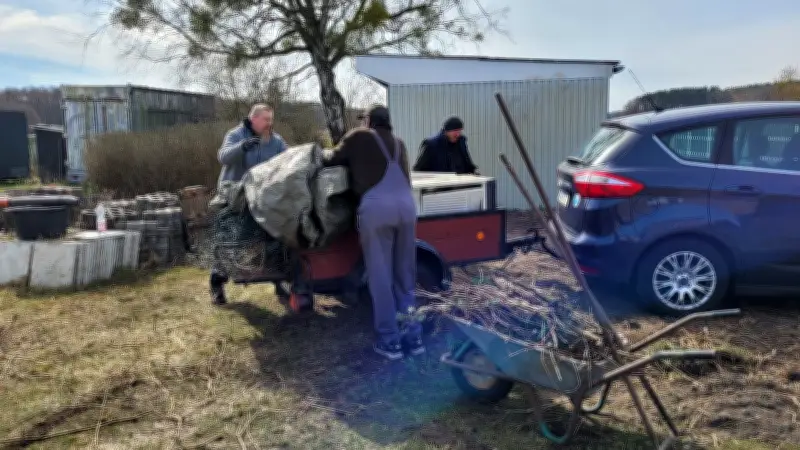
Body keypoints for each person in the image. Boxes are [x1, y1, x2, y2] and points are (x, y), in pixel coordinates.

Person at [322, 105, 423, 360]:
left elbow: (331, 159)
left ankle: (390, 342)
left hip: (378, 211)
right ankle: (413, 336)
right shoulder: (399, 144)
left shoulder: (359, 136)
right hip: (407, 209)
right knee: (405, 276)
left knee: (381, 278)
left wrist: (318, 152)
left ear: (368, 121)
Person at [210, 104, 310, 311]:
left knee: (274, 239)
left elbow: (288, 158)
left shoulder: (275, 140)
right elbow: (223, 156)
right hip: (236, 198)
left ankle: (280, 282)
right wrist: (242, 147)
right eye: (266, 119)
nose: (269, 124)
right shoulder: (236, 135)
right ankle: (217, 282)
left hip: (264, 198)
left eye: (271, 119)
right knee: (231, 241)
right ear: (253, 118)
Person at [413, 116, 479, 174]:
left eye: (459, 131)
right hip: (440, 183)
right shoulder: (431, 144)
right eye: (455, 131)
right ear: (446, 131)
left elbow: (467, 164)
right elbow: (418, 169)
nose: (458, 134)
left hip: (461, 182)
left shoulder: (461, 143)